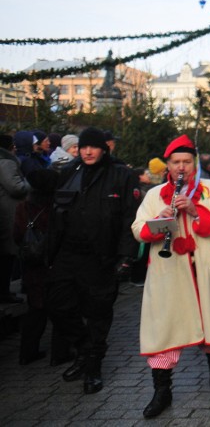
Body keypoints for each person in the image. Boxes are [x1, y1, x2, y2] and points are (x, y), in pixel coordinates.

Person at [132, 135, 210, 419]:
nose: (182, 167)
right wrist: (158, 221)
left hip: (206, 269)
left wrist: (195, 209)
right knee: (164, 329)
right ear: (168, 166)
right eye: (176, 162)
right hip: (170, 272)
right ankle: (162, 390)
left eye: (187, 162)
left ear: (194, 164)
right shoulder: (154, 194)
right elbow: (138, 229)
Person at [48, 127, 140, 395]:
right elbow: (56, 213)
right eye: (83, 147)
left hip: (102, 256)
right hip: (68, 253)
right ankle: (85, 349)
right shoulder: (69, 172)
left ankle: (93, 366)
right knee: (57, 305)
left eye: (93, 147)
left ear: (104, 149)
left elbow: (128, 218)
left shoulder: (121, 175)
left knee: (98, 313)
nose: (87, 151)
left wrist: (125, 257)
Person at [13, 169, 59, 364]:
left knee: (36, 308)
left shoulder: (24, 206)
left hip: (32, 263)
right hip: (54, 261)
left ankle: (27, 351)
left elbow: (17, 234)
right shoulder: (56, 206)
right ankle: (60, 353)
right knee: (60, 306)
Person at [1, 134, 30, 303]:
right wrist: (28, 183)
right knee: (7, 255)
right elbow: (16, 187)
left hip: (6, 211)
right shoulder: (6, 162)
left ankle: (5, 291)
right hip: (8, 212)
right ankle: (4, 292)